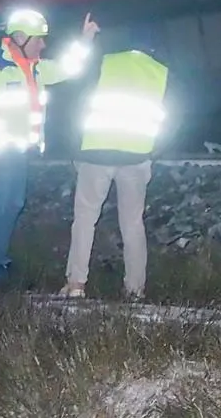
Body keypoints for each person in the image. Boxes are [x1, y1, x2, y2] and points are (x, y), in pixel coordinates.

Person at [0, 7, 98, 289]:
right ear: (20, 37)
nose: (43, 44)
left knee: (11, 204)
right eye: (39, 38)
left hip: (15, 151)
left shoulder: (33, 68)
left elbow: (66, 69)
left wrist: (84, 42)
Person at [59, 32, 169, 301]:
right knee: (133, 224)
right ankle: (134, 289)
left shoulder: (106, 63)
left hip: (96, 154)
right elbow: (170, 120)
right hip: (136, 158)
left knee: (85, 219)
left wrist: (76, 149)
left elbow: (77, 105)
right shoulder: (160, 72)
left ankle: (76, 284)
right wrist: (152, 152)